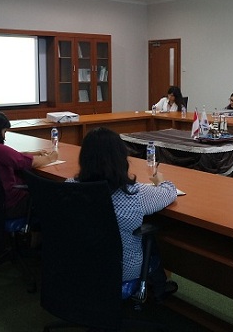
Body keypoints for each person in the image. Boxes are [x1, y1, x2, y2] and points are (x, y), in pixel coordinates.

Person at [66, 127, 178, 302]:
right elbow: (170, 193)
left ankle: (159, 287)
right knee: (150, 240)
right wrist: (161, 181)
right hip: (123, 271)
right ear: (121, 158)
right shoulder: (135, 194)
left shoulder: (70, 187)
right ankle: (159, 288)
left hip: (81, 264)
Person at [0, 108, 58, 218]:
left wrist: (34, 153)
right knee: (52, 194)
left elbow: (13, 156)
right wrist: (51, 158)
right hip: (12, 204)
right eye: (4, 131)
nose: (4, 136)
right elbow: (27, 162)